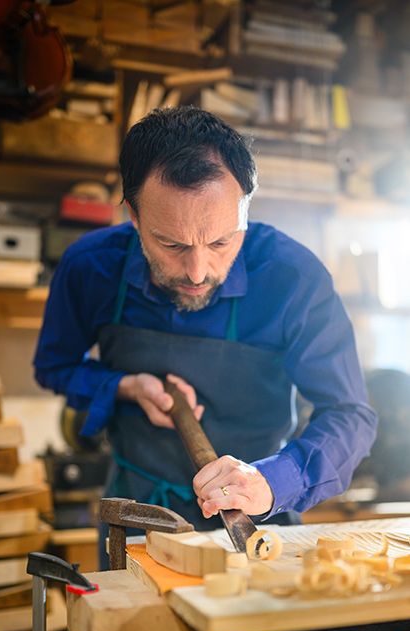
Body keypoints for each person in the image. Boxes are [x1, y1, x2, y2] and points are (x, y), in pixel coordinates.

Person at [34, 106, 377, 568]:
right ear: (134, 215)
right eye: (172, 244)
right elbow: (54, 366)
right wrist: (123, 386)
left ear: (244, 211)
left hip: (257, 527)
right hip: (136, 522)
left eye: (220, 242)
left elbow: (351, 415)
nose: (198, 272)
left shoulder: (293, 278)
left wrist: (273, 481)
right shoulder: (89, 268)